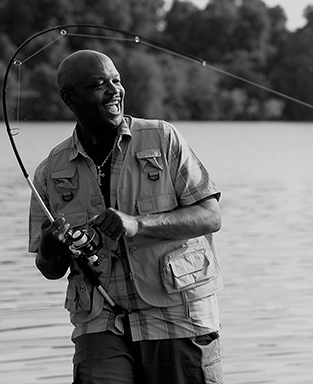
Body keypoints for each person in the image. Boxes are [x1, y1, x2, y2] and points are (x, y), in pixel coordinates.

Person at [28, 49, 224, 384]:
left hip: (176, 316)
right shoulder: (50, 170)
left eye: (116, 80)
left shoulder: (163, 138)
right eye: (98, 84)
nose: (113, 90)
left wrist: (138, 224)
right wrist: (50, 248)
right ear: (69, 98)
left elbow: (210, 216)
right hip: (99, 324)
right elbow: (50, 269)